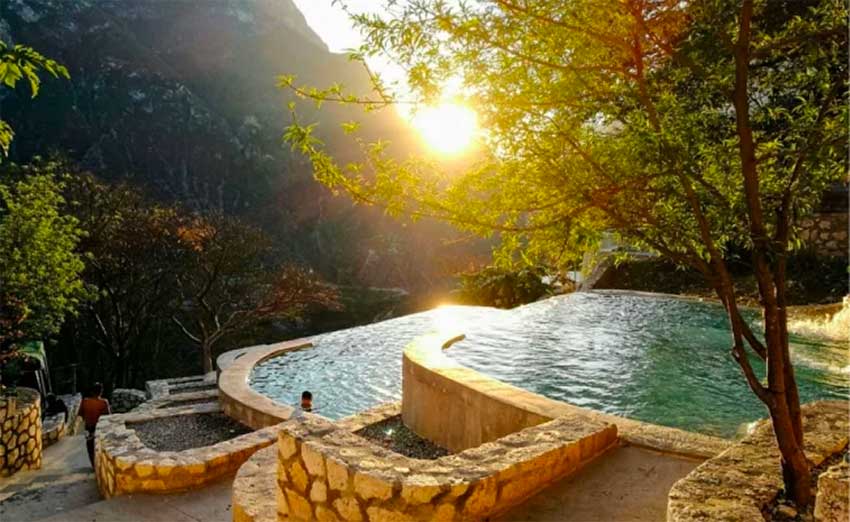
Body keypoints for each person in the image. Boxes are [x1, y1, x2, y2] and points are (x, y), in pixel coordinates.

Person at [78, 383, 111, 467]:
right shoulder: (104, 402)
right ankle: (99, 465)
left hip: (88, 427)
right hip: (100, 428)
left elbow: (80, 414)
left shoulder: (85, 401)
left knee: (90, 447)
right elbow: (108, 416)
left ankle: (93, 465)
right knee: (100, 446)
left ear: (91, 392)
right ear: (101, 392)